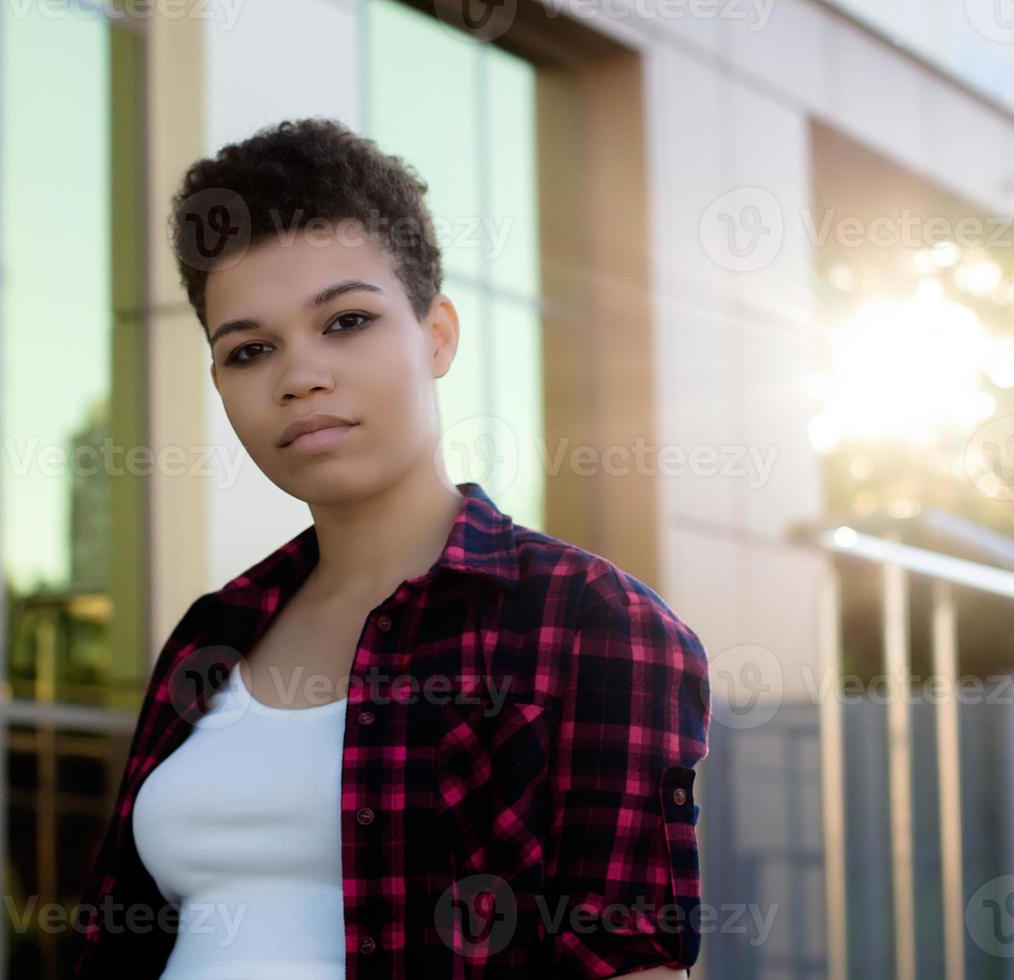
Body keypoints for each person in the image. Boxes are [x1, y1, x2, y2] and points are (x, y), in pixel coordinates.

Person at [68, 117, 710, 979]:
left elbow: (630, 965)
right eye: (250, 349)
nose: (299, 376)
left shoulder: (593, 624)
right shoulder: (213, 633)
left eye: (345, 322)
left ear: (436, 334)